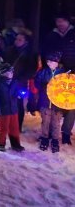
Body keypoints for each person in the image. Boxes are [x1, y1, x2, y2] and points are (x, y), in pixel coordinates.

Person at [43, 13, 75, 144]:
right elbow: (47, 52)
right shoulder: (52, 36)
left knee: (72, 103)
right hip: (57, 73)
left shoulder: (73, 34)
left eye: (62, 21)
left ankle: (66, 132)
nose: (60, 24)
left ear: (68, 21)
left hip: (73, 73)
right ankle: (51, 131)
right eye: (58, 21)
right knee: (54, 103)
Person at [3, 33, 38, 132]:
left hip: (20, 82)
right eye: (16, 39)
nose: (17, 41)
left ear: (25, 41)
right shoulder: (10, 50)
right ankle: (8, 124)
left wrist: (22, 77)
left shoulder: (30, 54)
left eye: (20, 39)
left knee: (18, 104)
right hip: (9, 80)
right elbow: (4, 63)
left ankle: (17, 126)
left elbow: (32, 69)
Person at [34, 52, 65, 152]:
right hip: (45, 101)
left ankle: (55, 140)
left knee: (56, 123)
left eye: (51, 61)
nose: (49, 63)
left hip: (57, 104)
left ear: (57, 62)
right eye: (48, 61)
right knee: (45, 121)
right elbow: (37, 82)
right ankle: (44, 138)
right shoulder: (43, 72)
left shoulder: (62, 73)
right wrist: (43, 86)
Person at [0, 62, 24, 152]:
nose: (11, 74)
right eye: (9, 72)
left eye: (12, 72)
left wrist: (19, 95)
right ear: (3, 73)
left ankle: (15, 144)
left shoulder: (14, 81)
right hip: (4, 110)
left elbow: (16, 91)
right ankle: (0, 143)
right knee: (3, 127)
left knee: (14, 127)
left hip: (13, 109)